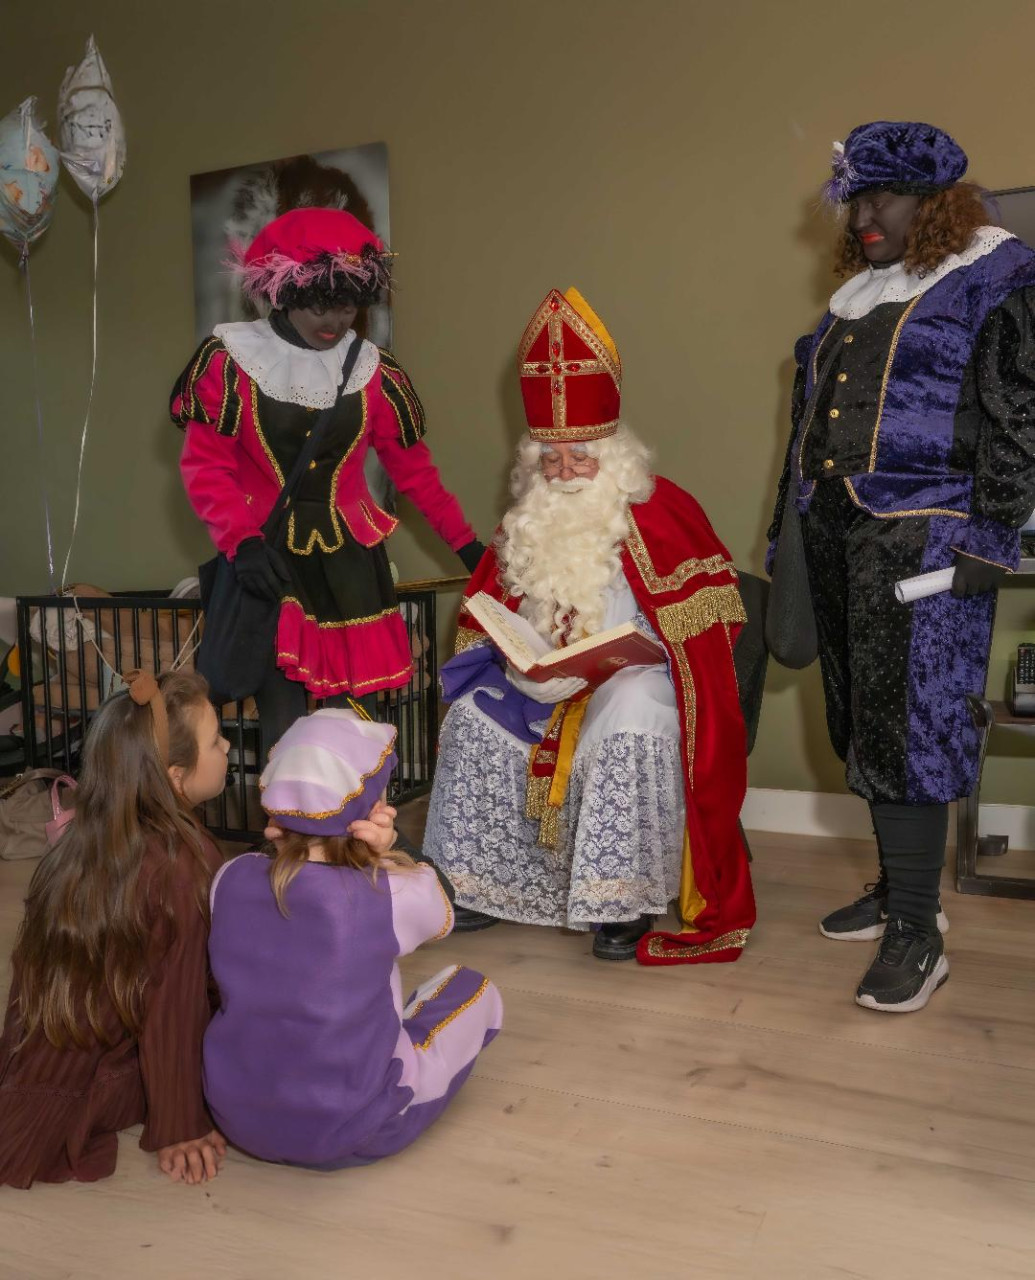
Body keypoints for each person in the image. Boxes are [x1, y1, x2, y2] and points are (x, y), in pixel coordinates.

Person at [767, 121, 1035, 1012]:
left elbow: (1021, 416)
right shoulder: (854, 299)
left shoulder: (996, 276)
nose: (862, 218)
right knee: (858, 722)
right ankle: (898, 889)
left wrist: (989, 539)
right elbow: (804, 434)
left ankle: (919, 932)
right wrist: (784, 538)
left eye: (880, 199)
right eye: (855, 201)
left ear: (934, 202)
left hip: (927, 537)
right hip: (836, 533)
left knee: (910, 730)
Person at [423, 287, 754, 963]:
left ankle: (620, 902)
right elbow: (494, 616)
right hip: (546, 686)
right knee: (473, 715)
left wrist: (649, 649)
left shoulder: (662, 509)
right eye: (550, 459)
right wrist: (523, 666)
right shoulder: (527, 523)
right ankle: (481, 884)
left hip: (637, 680)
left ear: (615, 455)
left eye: (581, 456)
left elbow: (714, 625)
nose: (566, 472)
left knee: (627, 711)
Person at [170, 207, 485, 748]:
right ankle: (288, 808)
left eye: (347, 304)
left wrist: (467, 547)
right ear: (285, 291)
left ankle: (359, 807)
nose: (334, 320)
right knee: (284, 728)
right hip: (271, 565)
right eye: (319, 302)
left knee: (356, 727)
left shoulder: (373, 370)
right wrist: (241, 541)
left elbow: (415, 473)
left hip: (350, 568)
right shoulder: (231, 361)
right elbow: (206, 468)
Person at [202, 707, 502, 1168]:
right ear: (371, 809)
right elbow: (443, 909)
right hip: (358, 1126)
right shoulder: (388, 892)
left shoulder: (230, 875)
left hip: (236, 1116)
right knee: (474, 989)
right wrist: (387, 849)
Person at [0, 670, 230, 1188]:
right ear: (175, 776)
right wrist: (180, 1123)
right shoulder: (183, 865)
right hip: (100, 1077)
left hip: (45, 1056)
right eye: (216, 740)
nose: (227, 747)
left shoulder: (77, 842)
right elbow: (176, 1003)